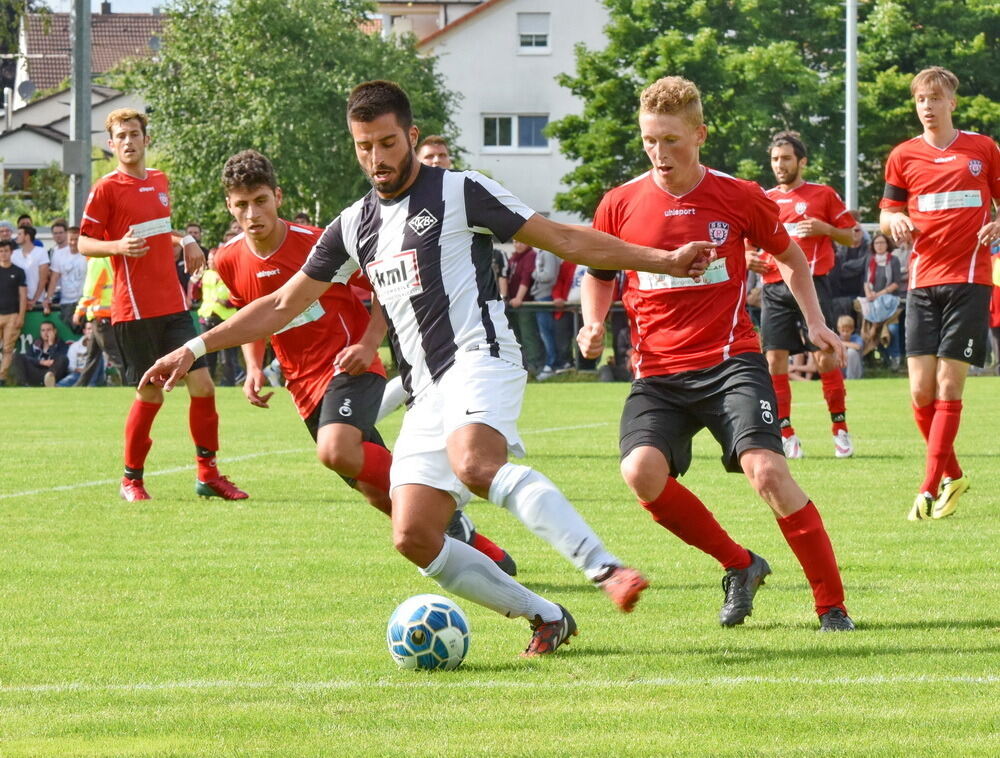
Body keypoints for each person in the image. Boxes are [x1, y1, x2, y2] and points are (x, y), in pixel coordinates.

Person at [141, 80, 717, 656]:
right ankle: (546, 616)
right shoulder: (354, 225)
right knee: (413, 535)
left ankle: (605, 567)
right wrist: (192, 350)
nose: (377, 158)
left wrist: (662, 259)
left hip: (480, 355)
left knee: (474, 462)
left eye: (388, 143)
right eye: (364, 146)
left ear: (411, 137)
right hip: (424, 388)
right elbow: (280, 305)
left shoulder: (460, 192)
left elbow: (565, 238)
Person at [578, 76, 853, 632]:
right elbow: (599, 272)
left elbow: (794, 260)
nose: (659, 153)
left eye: (671, 140)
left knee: (768, 472)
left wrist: (817, 323)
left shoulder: (738, 196)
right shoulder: (619, 203)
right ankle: (740, 564)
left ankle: (831, 606)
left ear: (699, 135)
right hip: (657, 374)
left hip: (730, 362)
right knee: (640, 473)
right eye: (650, 140)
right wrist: (591, 322)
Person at [213, 148, 515, 573]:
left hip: (350, 365)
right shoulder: (227, 259)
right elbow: (254, 314)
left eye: (260, 200)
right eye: (241, 205)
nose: (252, 213)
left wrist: (370, 344)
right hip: (303, 387)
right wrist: (254, 366)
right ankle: (475, 544)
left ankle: (434, 492)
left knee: (335, 450)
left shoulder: (321, 242)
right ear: (229, 205)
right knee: (378, 494)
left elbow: (384, 284)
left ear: (277, 197)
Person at [78, 107, 248, 502]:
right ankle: (131, 480)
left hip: (173, 306)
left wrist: (185, 240)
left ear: (145, 139)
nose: (128, 141)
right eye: (120, 136)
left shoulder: (159, 181)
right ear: (111, 144)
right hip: (133, 311)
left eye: (134, 134)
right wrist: (117, 246)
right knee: (150, 394)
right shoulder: (106, 188)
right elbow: (85, 242)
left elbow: (157, 230)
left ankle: (208, 474)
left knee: (203, 384)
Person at [880, 66, 1000, 521]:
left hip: (970, 280)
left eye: (934, 98)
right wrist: (895, 223)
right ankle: (955, 475)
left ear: (952, 101)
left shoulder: (983, 149)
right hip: (922, 282)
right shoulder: (903, 156)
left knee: (948, 386)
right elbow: (888, 212)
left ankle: (928, 488)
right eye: (920, 100)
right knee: (919, 393)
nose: (927, 107)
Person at [747, 132, 858, 459]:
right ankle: (786, 434)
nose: (779, 165)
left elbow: (852, 236)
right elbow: (746, 241)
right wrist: (746, 257)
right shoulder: (763, 198)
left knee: (824, 355)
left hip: (814, 284)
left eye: (786, 159)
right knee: (774, 359)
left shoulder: (822, 195)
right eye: (775, 159)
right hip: (773, 286)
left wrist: (826, 230)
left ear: (801, 161)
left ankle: (840, 430)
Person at [73, 254, 124, 387]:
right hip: (109, 314)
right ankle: (80, 386)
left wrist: (79, 311)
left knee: (115, 356)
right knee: (92, 356)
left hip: (101, 315)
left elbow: (91, 290)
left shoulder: (96, 260)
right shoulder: (108, 258)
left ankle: (132, 385)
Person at [196, 249, 242, 386]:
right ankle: (207, 383)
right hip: (207, 317)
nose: (210, 262)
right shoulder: (205, 275)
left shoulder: (232, 274)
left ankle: (229, 383)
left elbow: (240, 295)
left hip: (226, 319)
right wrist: (193, 282)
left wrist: (226, 303)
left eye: (213, 259)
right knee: (207, 355)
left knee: (227, 357)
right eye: (209, 259)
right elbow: (196, 294)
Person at [46, 222, 88, 330]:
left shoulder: (87, 254)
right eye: (71, 239)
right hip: (67, 301)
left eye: (76, 239)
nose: (73, 242)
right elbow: (54, 278)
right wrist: (49, 298)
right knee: (72, 328)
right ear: (67, 239)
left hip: (83, 300)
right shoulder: (59, 254)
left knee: (86, 329)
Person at [0, 238, 27, 385]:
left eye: (6, 251)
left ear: (11, 253)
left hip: (12, 315)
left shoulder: (18, 272)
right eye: (1, 251)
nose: (3, 254)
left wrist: (20, 316)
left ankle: (2, 378)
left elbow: (23, 296)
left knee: (8, 349)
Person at [12, 319, 68, 386]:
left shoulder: (61, 344)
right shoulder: (36, 343)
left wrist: (51, 345)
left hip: (51, 373)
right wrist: (41, 362)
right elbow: (28, 358)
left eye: (48, 330)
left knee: (63, 359)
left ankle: (49, 383)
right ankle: (23, 385)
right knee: (17, 356)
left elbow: (58, 361)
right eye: (43, 330)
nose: (46, 333)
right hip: (36, 371)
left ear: (54, 331)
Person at [12, 224, 49, 311]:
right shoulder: (14, 254)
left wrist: (34, 300)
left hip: (37, 302)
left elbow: (43, 279)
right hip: (18, 301)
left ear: (27, 236)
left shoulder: (41, 252)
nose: (16, 237)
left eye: (20, 234)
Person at [837, 314, 864, 380]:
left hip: (855, 371)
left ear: (852, 330)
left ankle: (850, 379)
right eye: (843, 331)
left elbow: (858, 346)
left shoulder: (856, 338)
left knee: (851, 352)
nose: (845, 333)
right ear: (838, 329)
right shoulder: (836, 338)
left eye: (847, 331)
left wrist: (842, 343)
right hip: (841, 369)